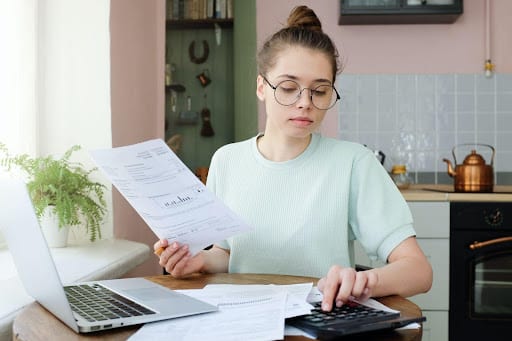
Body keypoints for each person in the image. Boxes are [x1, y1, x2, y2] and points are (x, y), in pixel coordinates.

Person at [155, 5, 432, 312]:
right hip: (244, 320)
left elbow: (418, 271)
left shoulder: (354, 163)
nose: (305, 103)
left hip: (322, 321)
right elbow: (231, 255)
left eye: (320, 91)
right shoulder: (226, 160)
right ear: (262, 87)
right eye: (288, 88)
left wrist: (362, 282)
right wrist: (202, 261)